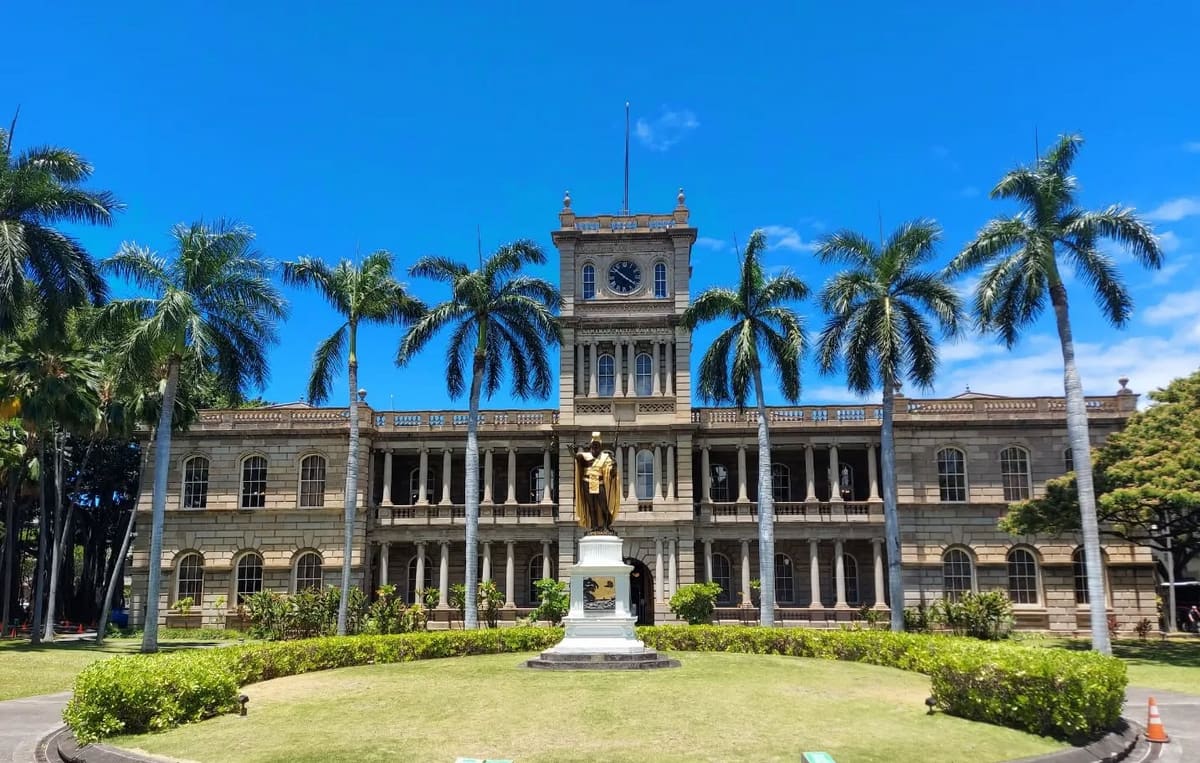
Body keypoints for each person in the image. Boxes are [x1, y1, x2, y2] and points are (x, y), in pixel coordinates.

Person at [571, 432, 621, 534]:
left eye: (597, 445)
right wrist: (570, 451)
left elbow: (611, 473)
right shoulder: (584, 456)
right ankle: (594, 526)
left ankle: (607, 525)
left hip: (599, 482)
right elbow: (576, 458)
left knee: (603, 505)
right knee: (591, 506)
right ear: (591, 445)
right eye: (594, 445)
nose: (595, 447)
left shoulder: (605, 457)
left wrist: (614, 466)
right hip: (587, 482)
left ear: (600, 446)